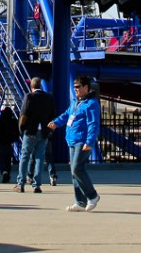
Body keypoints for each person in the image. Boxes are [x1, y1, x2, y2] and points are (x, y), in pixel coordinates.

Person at [48, 74, 101, 212]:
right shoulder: (75, 102)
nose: (75, 89)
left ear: (86, 87)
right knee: (74, 172)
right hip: (71, 140)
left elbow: (93, 124)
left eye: (78, 87)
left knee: (77, 168)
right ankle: (80, 202)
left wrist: (89, 141)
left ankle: (92, 196)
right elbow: (66, 115)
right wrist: (56, 122)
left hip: (82, 141)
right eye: (74, 87)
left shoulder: (91, 104)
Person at [14, 77, 56, 193]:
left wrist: (22, 129)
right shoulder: (49, 98)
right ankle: (37, 185)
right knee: (39, 158)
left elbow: (24, 114)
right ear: (41, 86)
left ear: (31, 86)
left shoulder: (29, 97)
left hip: (31, 130)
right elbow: (52, 114)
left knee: (25, 156)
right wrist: (49, 130)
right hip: (44, 131)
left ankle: (20, 183)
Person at [0, 105, 19, 183]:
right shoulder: (13, 121)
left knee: (1, 158)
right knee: (8, 159)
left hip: (0, 142)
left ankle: (4, 171)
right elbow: (17, 132)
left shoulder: (0, 121)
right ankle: (7, 171)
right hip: (9, 142)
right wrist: (14, 138)